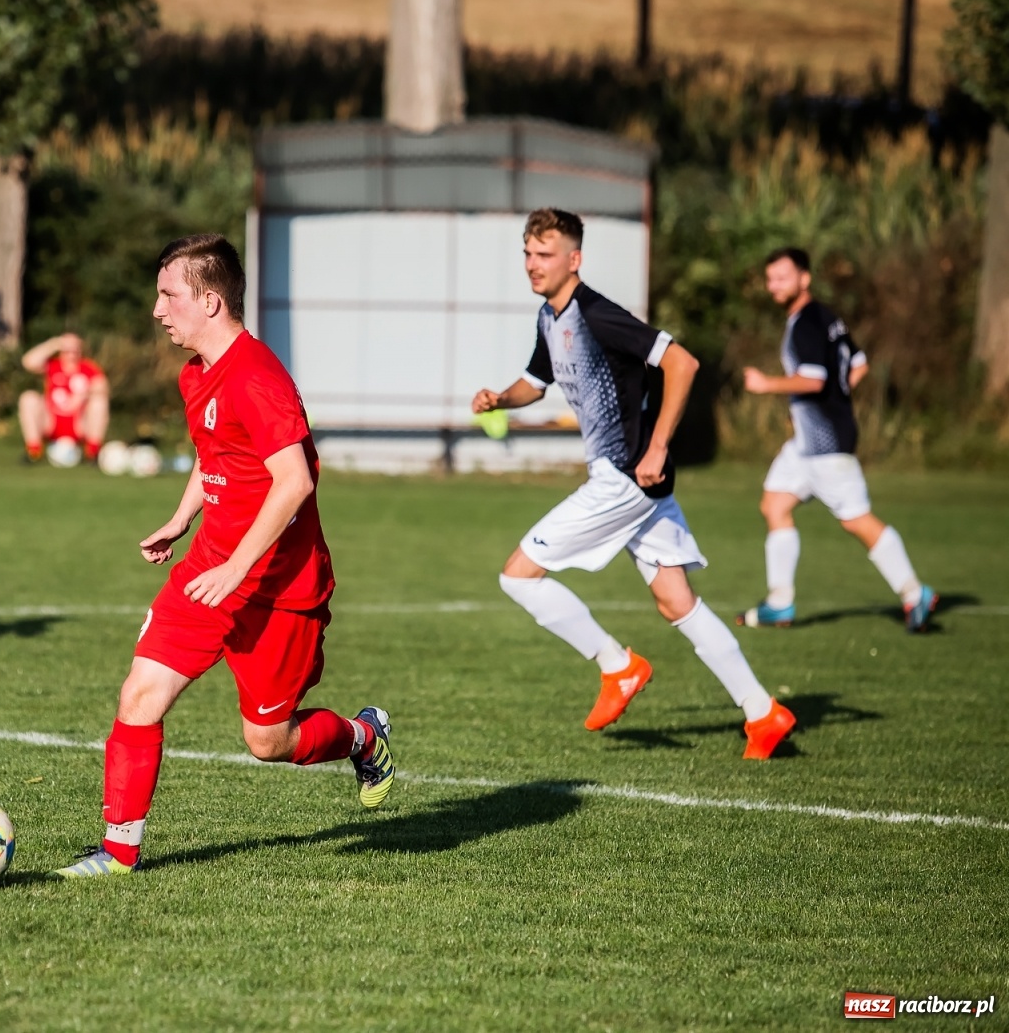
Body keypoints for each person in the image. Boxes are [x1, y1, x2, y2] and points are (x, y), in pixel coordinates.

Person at [54, 234, 394, 879]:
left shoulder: (258, 379)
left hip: (278, 586)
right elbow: (218, 460)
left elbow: (294, 482)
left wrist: (237, 567)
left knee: (268, 741)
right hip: (209, 567)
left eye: (168, 295)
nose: (157, 310)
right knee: (140, 695)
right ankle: (118, 853)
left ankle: (363, 736)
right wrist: (183, 521)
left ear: (211, 302)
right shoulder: (196, 374)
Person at [471, 208, 794, 760]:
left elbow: (683, 363)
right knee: (677, 603)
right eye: (527, 253)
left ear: (574, 259)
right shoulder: (550, 318)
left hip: (625, 478)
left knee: (518, 578)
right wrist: (502, 398)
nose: (533, 264)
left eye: (544, 254)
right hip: (637, 484)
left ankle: (617, 666)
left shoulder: (597, 314)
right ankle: (764, 712)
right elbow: (536, 380)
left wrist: (659, 443)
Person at [736, 247, 936, 632]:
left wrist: (765, 385)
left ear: (804, 278)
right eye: (770, 278)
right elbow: (858, 366)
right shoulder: (827, 318)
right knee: (774, 504)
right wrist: (837, 401)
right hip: (806, 444)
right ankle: (780, 603)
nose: (774, 285)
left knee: (857, 520)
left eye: (782, 277)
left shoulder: (808, 322)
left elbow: (814, 379)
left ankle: (915, 593)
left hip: (826, 444)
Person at [17, 332, 108, 463]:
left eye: (75, 348)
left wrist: (82, 395)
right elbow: (28, 362)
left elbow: (102, 387)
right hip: (51, 421)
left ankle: (93, 452)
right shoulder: (52, 365)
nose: (71, 352)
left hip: (79, 422)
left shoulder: (88, 368)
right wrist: (53, 344)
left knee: (99, 402)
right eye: (67, 348)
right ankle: (34, 450)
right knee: (28, 398)